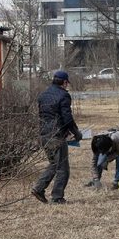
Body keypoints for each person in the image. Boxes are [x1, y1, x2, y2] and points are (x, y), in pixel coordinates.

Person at [31, 71, 82, 204]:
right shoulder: (64, 96)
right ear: (65, 82)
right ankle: (57, 197)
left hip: (43, 134)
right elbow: (67, 117)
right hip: (56, 136)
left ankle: (39, 188)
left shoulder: (43, 95)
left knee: (54, 164)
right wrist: (76, 132)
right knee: (63, 168)